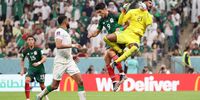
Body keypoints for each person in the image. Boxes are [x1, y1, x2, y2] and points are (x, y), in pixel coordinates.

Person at [36, 15, 86, 100]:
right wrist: (74, 45)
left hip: (69, 61)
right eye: (68, 21)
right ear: (65, 21)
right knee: (54, 86)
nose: (69, 22)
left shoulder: (66, 33)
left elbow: (65, 49)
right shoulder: (59, 31)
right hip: (60, 62)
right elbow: (58, 45)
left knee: (80, 82)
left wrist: (72, 56)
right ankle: (40, 95)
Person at [87, 2, 127, 92]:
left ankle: (122, 73)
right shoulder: (102, 20)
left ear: (105, 9)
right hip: (111, 39)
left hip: (119, 37)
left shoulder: (115, 15)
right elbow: (97, 31)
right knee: (106, 59)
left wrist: (120, 29)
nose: (99, 14)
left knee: (109, 52)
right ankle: (114, 81)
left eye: (100, 12)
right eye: (98, 13)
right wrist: (92, 34)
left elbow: (127, 24)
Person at [103, 0, 153, 65]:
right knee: (106, 38)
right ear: (143, 2)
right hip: (126, 33)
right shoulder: (132, 11)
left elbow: (149, 22)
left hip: (135, 37)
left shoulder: (149, 15)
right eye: (150, 3)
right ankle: (120, 51)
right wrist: (123, 11)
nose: (151, 5)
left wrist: (145, 10)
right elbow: (120, 22)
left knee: (134, 48)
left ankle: (116, 62)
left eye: (151, 4)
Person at [20, 35, 49, 100]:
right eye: (29, 40)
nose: (30, 41)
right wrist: (22, 70)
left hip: (40, 69)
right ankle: (28, 99)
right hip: (31, 69)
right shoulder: (25, 51)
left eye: (32, 40)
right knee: (27, 81)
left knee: (42, 86)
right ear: (27, 41)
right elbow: (22, 60)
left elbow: (44, 58)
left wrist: (38, 63)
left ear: (34, 41)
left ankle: (46, 96)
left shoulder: (38, 49)